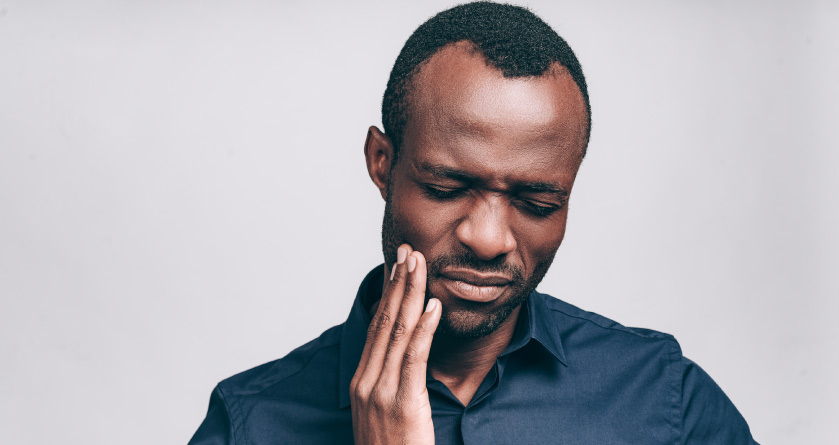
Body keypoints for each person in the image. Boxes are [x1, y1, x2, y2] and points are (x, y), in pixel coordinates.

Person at [189, 2, 757, 443]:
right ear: (381, 164)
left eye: (537, 203)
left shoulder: (663, 399)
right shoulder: (252, 424)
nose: (488, 240)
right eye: (447, 188)